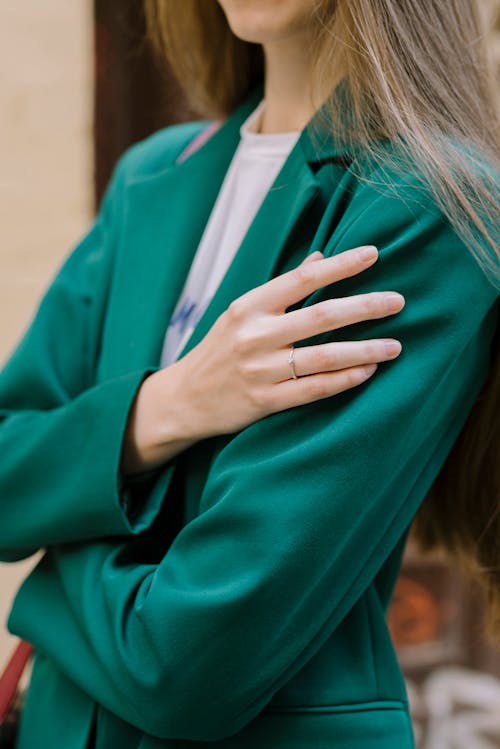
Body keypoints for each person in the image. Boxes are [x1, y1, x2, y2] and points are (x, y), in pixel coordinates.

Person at [1, 0, 499, 747]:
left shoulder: (424, 203)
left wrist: (48, 564)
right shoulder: (155, 174)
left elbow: (185, 661)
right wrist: (166, 407)